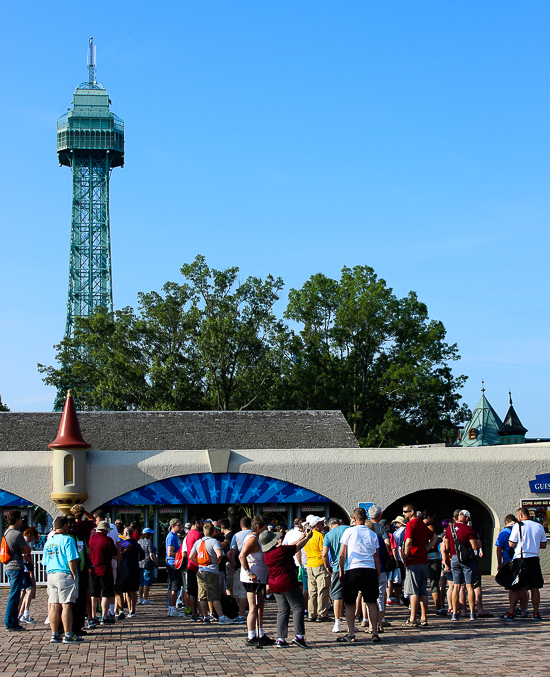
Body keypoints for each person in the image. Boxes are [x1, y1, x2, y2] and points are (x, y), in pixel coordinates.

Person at [261, 524, 313, 648]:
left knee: (283, 610)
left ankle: (281, 638)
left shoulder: (268, 554)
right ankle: (299, 636)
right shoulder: (281, 551)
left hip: (275, 584)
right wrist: (307, 538)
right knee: (298, 607)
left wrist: (302, 537)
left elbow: (291, 546)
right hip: (287, 582)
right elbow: (297, 547)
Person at [337, 507, 381, 644]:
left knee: (350, 603)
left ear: (354, 518)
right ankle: (374, 632)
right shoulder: (372, 534)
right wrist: (378, 575)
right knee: (371, 602)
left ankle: (351, 633)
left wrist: (341, 571)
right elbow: (376, 557)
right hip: (369, 569)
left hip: (353, 568)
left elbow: (342, 553)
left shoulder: (348, 531)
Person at [501, 506, 547, 621]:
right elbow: (543, 545)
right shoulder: (539, 526)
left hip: (521, 558)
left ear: (521, 515)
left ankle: (511, 612)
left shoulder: (518, 526)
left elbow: (511, 543)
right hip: (534, 558)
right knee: (535, 587)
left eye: (518, 516)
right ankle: (536, 613)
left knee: (516, 586)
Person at [43, 515, 82, 644]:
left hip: (51, 574)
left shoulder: (49, 541)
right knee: (66, 605)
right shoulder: (67, 540)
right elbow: (71, 559)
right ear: (65, 526)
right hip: (64, 574)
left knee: (54, 605)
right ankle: (68, 634)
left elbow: (45, 561)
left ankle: (54, 634)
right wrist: (74, 574)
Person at [239, 514, 274, 646]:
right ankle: (251, 635)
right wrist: (249, 572)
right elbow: (242, 556)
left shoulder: (257, 538)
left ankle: (260, 632)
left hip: (260, 578)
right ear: (259, 528)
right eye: (265, 528)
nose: (266, 531)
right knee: (253, 607)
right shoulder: (252, 539)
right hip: (252, 579)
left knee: (260, 606)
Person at [189, 522, 233, 624]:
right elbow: (219, 554)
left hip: (201, 570)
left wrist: (199, 563)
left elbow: (191, 556)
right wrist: (218, 559)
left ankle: (205, 617)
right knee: (214, 595)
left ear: (203, 532)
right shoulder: (214, 541)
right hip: (212, 570)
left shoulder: (198, 542)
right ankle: (221, 617)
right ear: (213, 532)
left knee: (202, 595)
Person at [402, 503, 438, 627]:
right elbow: (434, 537)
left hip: (413, 561)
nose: (404, 513)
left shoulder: (411, 524)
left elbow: (408, 541)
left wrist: (406, 554)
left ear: (412, 512)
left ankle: (413, 618)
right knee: (423, 590)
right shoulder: (422, 524)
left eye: (405, 511)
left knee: (414, 591)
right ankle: (424, 617)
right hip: (423, 561)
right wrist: (426, 549)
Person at [443, 509, 479, 621]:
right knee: (469, 586)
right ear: (467, 518)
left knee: (456, 586)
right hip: (467, 559)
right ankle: (472, 613)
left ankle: (455, 613)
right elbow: (474, 546)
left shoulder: (450, 528)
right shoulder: (469, 529)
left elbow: (447, 546)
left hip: (454, 557)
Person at [3, 509, 32, 632]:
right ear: (16, 519)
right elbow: (27, 549)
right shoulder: (16, 534)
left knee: (14, 594)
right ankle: (10, 622)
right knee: (15, 596)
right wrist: (23, 550)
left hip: (8, 566)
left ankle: (13, 621)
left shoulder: (6, 532)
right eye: (20, 518)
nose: (21, 520)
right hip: (16, 567)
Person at [321, 517, 350, 633]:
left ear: (329, 525)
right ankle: (350, 623)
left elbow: (324, 553)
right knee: (350, 595)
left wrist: (327, 566)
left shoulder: (328, 535)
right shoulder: (349, 529)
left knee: (337, 595)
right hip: (351, 565)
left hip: (337, 567)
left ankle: (337, 622)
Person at [88, 521, 117, 627]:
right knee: (105, 593)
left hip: (93, 570)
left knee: (93, 594)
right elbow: (114, 554)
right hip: (105, 570)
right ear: (105, 530)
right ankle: (104, 615)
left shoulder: (90, 540)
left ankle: (93, 615)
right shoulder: (108, 540)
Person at [303, 516, 331, 623]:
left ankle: (311, 613)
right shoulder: (320, 536)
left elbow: (305, 552)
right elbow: (323, 552)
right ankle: (322, 613)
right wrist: (327, 565)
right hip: (319, 564)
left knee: (312, 590)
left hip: (309, 564)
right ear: (316, 525)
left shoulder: (308, 536)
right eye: (321, 523)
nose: (323, 525)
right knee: (323, 589)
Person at [66, 517, 90, 637]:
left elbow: (86, 552)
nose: (71, 526)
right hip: (69, 575)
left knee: (81, 601)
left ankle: (78, 626)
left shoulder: (79, 537)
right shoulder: (65, 538)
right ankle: (67, 628)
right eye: (68, 523)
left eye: (72, 523)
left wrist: (89, 567)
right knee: (70, 602)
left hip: (82, 573)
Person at [230, 516, 252, 623]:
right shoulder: (254, 534)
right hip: (254, 565)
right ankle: (254, 612)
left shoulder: (236, 535)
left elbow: (233, 552)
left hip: (241, 566)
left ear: (240, 525)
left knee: (240, 591)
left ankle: (241, 614)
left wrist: (232, 566)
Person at [18, 526, 39, 625]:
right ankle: (25, 613)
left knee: (22, 591)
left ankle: (19, 613)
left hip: (21, 568)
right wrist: (30, 561)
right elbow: (23, 553)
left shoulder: (20, 539)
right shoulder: (24, 541)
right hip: (24, 568)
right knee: (30, 589)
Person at [185, 517, 204, 619]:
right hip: (197, 565)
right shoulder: (198, 535)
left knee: (192, 591)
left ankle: (194, 612)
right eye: (201, 522)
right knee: (200, 591)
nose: (203, 524)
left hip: (190, 565)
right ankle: (201, 613)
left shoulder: (188, 535)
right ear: (196, 522)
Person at [165, 518, 185, 617]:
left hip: (174, 563)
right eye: (179, 525)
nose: (181, 527)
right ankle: (172, 608)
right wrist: (180, 554)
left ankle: (171, 607)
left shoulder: (174, 536)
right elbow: (170, 552)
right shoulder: (171, 537)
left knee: (173, 586)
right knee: (174, 587)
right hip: (173, 564)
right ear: (173, 526)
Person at [138, 528, 157, 605]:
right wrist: (155, 562)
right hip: (148, 563)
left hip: (140, 563)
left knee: (141, 581)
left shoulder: (139, 541)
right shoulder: (149, 542)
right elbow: (151, 555)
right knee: (147, 581)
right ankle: (145, 598)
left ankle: (140, 598)